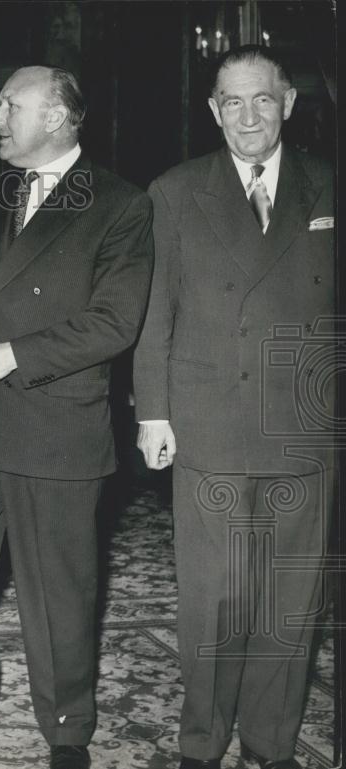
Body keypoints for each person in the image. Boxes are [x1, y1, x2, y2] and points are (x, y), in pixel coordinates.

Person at [0, 66, 153, 768]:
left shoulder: (120, 203)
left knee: (59, 590)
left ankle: (65, 726)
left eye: (9, 105)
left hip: (54, 424)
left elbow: (114, 321)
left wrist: (8, 355)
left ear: (55, 117)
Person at [133, 46, 334, 769]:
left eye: (263, 100)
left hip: (303, 432)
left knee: (289, 597)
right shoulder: (174, 191)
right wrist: (152, 411)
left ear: (288, 103)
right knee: (214, 601)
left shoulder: (328, 188)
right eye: (232, 103)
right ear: (214, 111)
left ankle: (272, 741)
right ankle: (202, 743)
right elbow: (156, 313)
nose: (249, 116)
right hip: (209, 426)